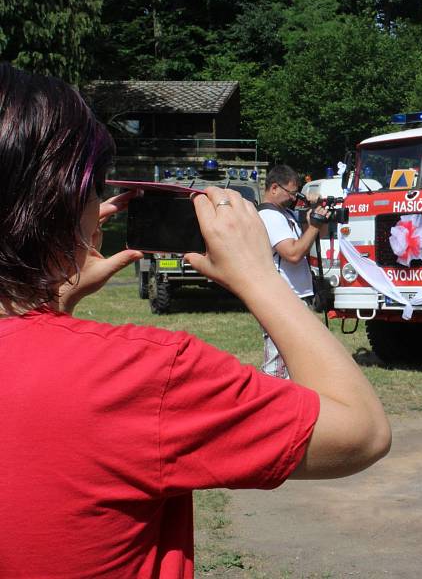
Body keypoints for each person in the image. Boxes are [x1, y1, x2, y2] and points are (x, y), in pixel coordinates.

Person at [0, 63, 390, 578]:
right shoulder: (138, 374)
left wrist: (49, 306)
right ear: (60, 204)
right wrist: (258, 277)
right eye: (96, 191)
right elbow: (361, 433)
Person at [257, 165, 329, 378]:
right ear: (274, 188)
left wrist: (316, 214)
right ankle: (269, 406)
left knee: (296, 361)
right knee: (277, 364)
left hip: (295, 296)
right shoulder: (270, 217)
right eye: (290, 193)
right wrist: (313, 226)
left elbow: (316, 237)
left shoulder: (285, 214)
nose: (293, 198)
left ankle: (288, 406)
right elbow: (293, 254)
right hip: (282, 297)